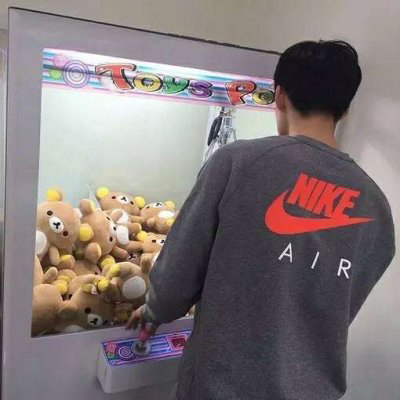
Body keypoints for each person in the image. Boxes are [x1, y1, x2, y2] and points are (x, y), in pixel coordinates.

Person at [127, 40, 396, 400]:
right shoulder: (376, 208)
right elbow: (337, 309)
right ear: (345, 109)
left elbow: (177, 275)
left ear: (279, 96)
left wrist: (154, 309)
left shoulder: (237, 163)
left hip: (222, 387)